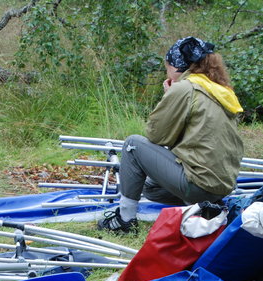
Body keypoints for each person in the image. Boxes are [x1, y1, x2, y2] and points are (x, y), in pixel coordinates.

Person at [97, 37, 244, 233]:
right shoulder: (219, 91)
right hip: (221, 185)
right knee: (151, 188)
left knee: (133, 144)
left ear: (177, 67)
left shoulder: (185, 88)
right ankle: (204, 208)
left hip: (198, 183)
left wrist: (169, 95)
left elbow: (156, 135)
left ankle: (125, 219)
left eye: (167, 66)